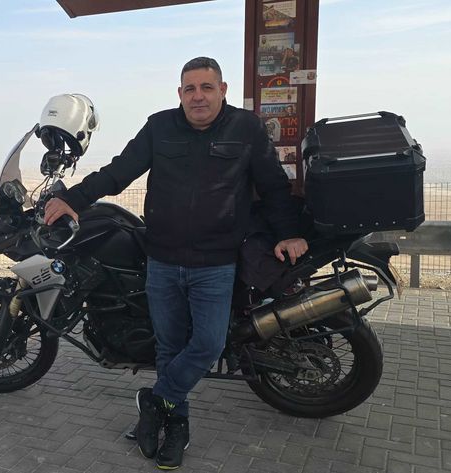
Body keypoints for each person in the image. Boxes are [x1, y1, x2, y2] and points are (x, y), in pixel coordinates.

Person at [44, 57, 308, 470]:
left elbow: (274, 186)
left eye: (206, 87)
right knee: (169, 348)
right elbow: (118, 173)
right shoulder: (160, 126)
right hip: (163, 259)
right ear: (180, 94)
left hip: (216, 262)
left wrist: (289, 232)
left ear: (223, 90)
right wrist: (72, 198)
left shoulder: (246, 129)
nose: (198, 96)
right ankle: (176, 424)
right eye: (190, 89)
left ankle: (154, 400)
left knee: (208, 344)